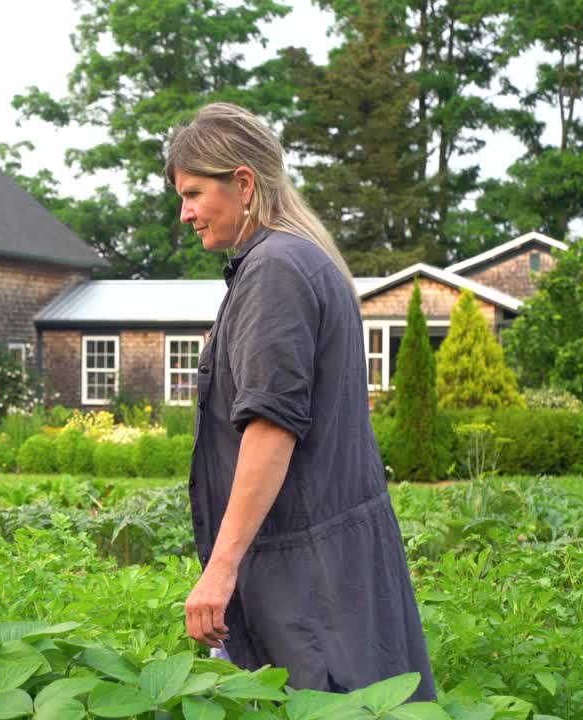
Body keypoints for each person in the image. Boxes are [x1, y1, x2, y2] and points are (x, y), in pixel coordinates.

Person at [166, 103, 435, 700]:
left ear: (242, 183)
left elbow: (270, 431)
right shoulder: (297, 260)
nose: (184, 214)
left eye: (192, 194)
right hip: (325, 566)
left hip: (306, 578)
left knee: (324, 705)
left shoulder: (276, 272)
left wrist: (219, 571)